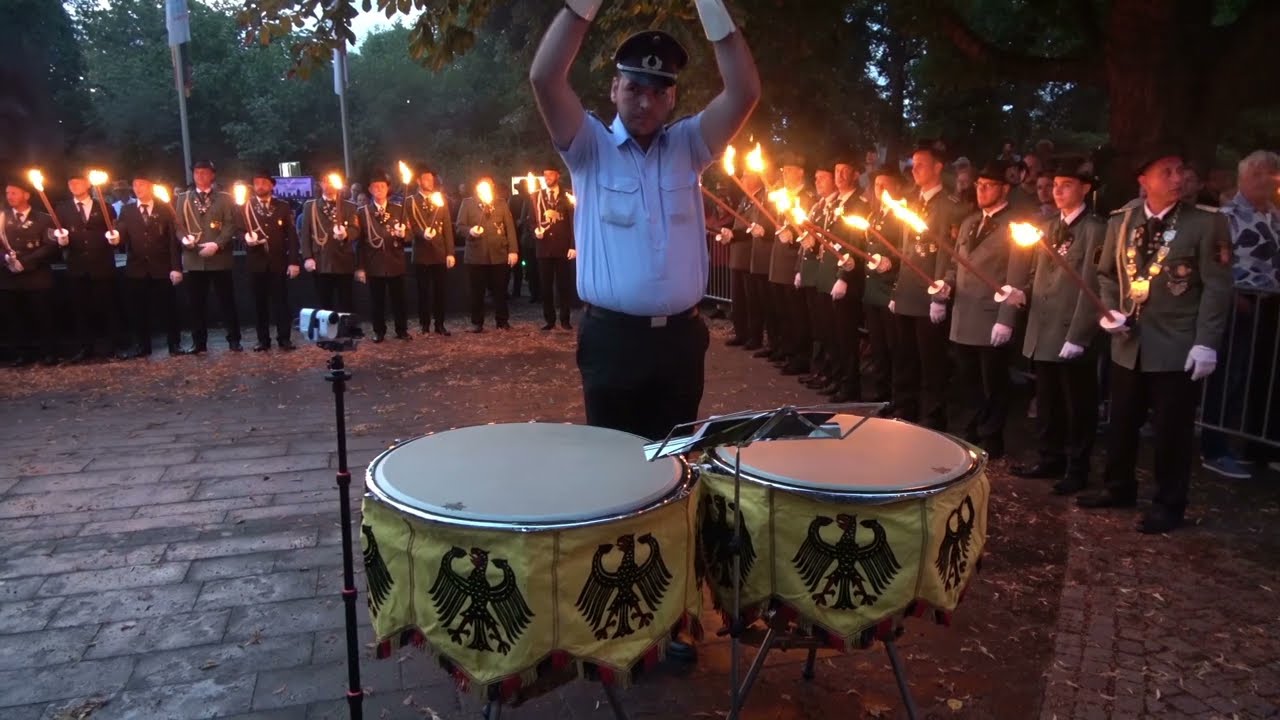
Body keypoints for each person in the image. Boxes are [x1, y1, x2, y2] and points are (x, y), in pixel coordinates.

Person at [529, 0, 759, 443]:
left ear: (672, 96)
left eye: (659, 91)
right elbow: (545, 77)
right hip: (613, 341)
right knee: (616, 469)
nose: (645, 102)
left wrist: (710, 4)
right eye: (635, 88)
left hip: (681, 341)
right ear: (615, 88)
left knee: (675, 464)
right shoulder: (588, 146)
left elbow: (744, 91)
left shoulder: (689, 145)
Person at [1080, 145, 1233, 533]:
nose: (1178, 178)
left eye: (1181, 169)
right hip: (1128, 342)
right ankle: (1118, 486)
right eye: (1167, 171)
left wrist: (1206, 342)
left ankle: (1169, 503)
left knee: (1171, 431)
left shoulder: (1205, 223)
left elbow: (1216, 287)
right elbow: (1106, 275)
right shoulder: (1123, 220)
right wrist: (1110, 310)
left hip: (1176, 344)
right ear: (1143, 179)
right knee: (1122, 421)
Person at [1011, 158, 1105, 493]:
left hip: (1071, 329)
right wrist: (1021, 293)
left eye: (1066, 185)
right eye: (1055, 185)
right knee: (1048, 398)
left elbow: (1093, 284)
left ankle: (1077, 467)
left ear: (1085, 189)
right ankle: (1050, 457)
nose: (1058, 191)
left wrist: (1079, 335)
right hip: (1045, 327)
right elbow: (1039, 274)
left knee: (1076, 403)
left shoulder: (1094, 230)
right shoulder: (1049, 227)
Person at [939, 160, 1022, 458]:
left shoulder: (1015, 226)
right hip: (964, 313)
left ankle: (992, 436)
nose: (981, 190)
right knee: (968, 379)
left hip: (991, 317)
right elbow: (955, 263)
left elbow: (1016, 275)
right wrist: (946, 286)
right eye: (978, 185)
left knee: (993, 382)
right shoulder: (969, 222)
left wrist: (1007, 319)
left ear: (1005, 189)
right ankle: (971, 429)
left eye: (988, 186)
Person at [174, 160, 241, 353]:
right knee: (196, 304)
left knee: (227, 301)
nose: (200, 176)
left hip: (219, 258)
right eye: (197, 172)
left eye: (204, 172)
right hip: (194, 259)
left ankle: (234, 339)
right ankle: (199, 342)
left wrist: (217, 244)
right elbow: (178, 224)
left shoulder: (224, 198)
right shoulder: (183, 198)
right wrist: (184, 239)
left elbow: (230, 224)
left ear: (212, 175)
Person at [117, 171, 184, 357]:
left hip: (161, 267)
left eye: (142, 184)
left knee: (169, 308)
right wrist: (115, 237)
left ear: (151, 187)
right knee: (139, 310)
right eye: (135, 185)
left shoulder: (164, 209)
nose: (138, 188)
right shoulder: (127, 211)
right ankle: (142, 345)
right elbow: (121, 234)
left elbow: (172, 240)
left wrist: (176, 267)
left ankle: (174, 344)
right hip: (137, 268)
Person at [58, 171, 123, 362]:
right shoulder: (62, 209)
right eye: (71, 183)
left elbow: (114, 229)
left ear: (87, 184)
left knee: (108, 306)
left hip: (101, 264)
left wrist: (115, 238)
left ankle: (114, 345)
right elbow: (56, 232)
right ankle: (86, 346)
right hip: (77, 265)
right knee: (81, 309)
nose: (74, 186)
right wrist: (59, 239)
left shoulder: (104, 206)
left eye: (77, 182)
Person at [238, 170, 300, 351]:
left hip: (277, 261)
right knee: (259, 304)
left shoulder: (282, 206)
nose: (260, 186)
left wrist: (293, 261)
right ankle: (263, 340)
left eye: (264, 182)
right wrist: (245, 238)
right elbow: (239, 230)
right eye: (257, 182)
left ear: (272, 185)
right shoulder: (245, 206)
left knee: (281, 302)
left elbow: (291, 235)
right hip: (256, 262)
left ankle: (284, 338)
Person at [2, 179, 58, 366]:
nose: (10, 197)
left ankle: (48, 352)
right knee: (16, 318)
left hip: (37, 276)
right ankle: (22, 353)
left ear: (26, 195)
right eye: (8, 193)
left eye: (14, 193)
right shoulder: (2, 218)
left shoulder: (43, 218)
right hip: (10, 277)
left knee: (43, 316)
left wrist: (25, 262)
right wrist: (7, 259)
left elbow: (50, 246)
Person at [454, 177, 518, 332]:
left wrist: (513, 250)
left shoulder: (500, 203)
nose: (485, 190)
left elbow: (510, 228)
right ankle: (477, 322)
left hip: (498, 254)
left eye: (488, 187)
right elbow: (459, 227)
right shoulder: (468, 203)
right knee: (477, 291)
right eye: (481, 187)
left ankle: (502, 321)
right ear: (477, 189)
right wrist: (470, 231)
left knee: (500, 290)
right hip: (476, 255)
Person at [358, 170, 411, 342]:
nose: (379, 189)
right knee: (376, 301)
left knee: (399, 300)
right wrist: (360, 267)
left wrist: (404, 234)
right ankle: (379, 331)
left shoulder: (399, 209)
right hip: (375, 263)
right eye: (375, 187)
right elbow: (359, 242)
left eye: (382, 186)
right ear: (370, 190)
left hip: (395, 261)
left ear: (388, 189)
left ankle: (401, 330)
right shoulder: (363, 212)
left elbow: (410, 235)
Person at [405, 166, 456, 336]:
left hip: (439, 252)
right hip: (421, 252)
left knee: (440, 291)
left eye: (432, 180)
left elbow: (447, 226)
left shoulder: (439, 199)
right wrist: (421, 233)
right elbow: (410, 225)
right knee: (423, 292)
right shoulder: (410, 201)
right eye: (426, 179)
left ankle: (440, 324)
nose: (430, 182)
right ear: (418, 181)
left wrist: (450, 252)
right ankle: (425, 324)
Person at [300, 174, 361, 313]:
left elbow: (356, 229)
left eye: (332, 182)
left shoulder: (349, 206)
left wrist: (346, 234)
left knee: (346, 299)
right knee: (324, 299)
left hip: (343, 259)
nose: (329, 185)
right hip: (321, 259)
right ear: (321, 184)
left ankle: (346, 328)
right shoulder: (311, 206)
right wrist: (307, 257)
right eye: (326, 182)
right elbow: (305, 234)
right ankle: (327, 330)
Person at [526, 164, 577, 330]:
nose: (547, 177)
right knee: (546, 286)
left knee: (564, 285)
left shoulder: (567, 195)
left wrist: (573, 245)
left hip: (563, 248)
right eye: (545, 174)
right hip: (544, 248)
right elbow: (531, 221)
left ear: (557, 175)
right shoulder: (536, 196)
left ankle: (565, 319)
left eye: (550, 174)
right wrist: (535, 231)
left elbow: (573, 222)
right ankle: (549, 320)